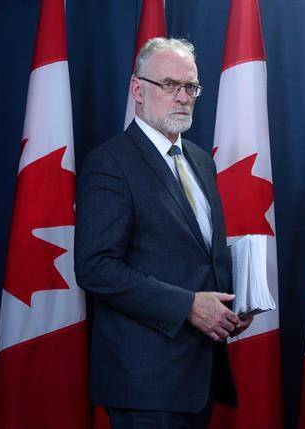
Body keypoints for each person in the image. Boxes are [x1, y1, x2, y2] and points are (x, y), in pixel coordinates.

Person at [74, 37, 251, 429]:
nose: (183, 97)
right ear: (138, 89)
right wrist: (188, 305)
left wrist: (230, 309)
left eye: (191, 87)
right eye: (170, 85)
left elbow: (194, 257)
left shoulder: (201, 162)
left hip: (198, 376)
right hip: (145, 382)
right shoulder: (111, 162)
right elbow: (95, 267)